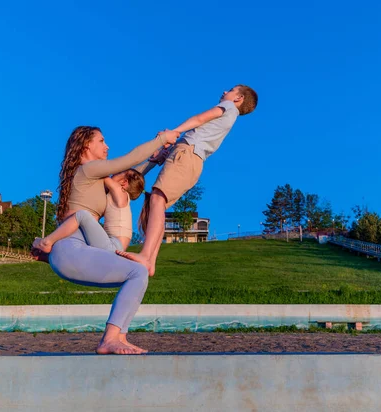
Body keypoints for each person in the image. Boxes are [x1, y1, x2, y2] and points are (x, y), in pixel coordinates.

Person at [47, 126, 178, 355]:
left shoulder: (93, 179)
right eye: (101, 140)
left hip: (76, 250)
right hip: (71, 249)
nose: (107, 146)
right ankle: (109, 339)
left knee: (138, 273)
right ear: (87, 144)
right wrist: (161, 139)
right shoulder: (88, 168)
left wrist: (153, 161)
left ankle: (119, 337)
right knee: (138, 272)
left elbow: (126, 177)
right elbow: (127, 161)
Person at [118, 85, 258, 276]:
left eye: (231, 90)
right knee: (158, 204)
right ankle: (150, 261)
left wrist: (173, 132)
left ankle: (145, 255)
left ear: (238, 98)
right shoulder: (229, 117)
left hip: (188, 154)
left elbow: (199, 119)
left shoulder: (228, 107)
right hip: (191, 159)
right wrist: (170, 150)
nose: (225, 91)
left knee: (157, 201)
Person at [32, 169, 145, 254]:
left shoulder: (120, 193)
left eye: (119, 172)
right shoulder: (121, 198)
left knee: (82, 216)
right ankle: (48, 255)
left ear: (124, 183)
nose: (113, 173)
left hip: (112, 246)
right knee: (82, 233)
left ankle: (46, 241)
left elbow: (100, 173)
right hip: (114, 247)